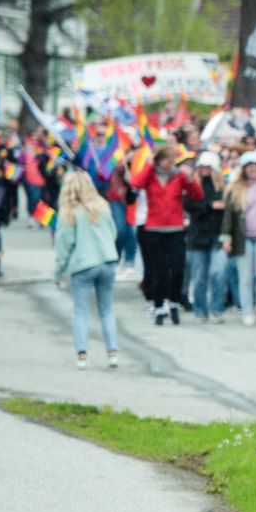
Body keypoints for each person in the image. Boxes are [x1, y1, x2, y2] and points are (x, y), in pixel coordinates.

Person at [51, 169, 122, 369]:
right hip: (107, 261)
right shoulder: (103, 207)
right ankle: (112, 353)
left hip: (83, 264)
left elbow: (64, 246)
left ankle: (82, 355)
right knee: (106, 310)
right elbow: (113, 233)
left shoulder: (69, 212)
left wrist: (58, 273)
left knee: (81, 311)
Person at [131, 146, 203, 325]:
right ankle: (159, 305)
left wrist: (190, 179)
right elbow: (136, 184)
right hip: (154, 228)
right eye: (166, 161)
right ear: (158, 160)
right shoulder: (150, 175)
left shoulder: (178, 176)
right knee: (158, 269)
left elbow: (197, 195)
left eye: (172, 161)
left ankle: (173, 302)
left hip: (175, 228)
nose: (169, 165)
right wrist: (148, 166)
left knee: (178, 268)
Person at [223, 153, 256, 325]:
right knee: (244, 277)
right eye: (249, 165)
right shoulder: (236, 188)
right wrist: (226, 237)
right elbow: (228, 215)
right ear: (244, 169)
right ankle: (247, 310)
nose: (253, 168)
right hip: (242, 238)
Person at [183, 151, 229, 322]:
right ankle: (200, 310)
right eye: (202, 166)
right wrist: (210, 205)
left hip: (217, 234)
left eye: (208, 166)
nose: (205, 170)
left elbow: (228, 209)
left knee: (218, 272)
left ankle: (217, 309)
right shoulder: (193, 185)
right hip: (197, 235)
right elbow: (189, 205)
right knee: (199, 276)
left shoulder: (223, 186)